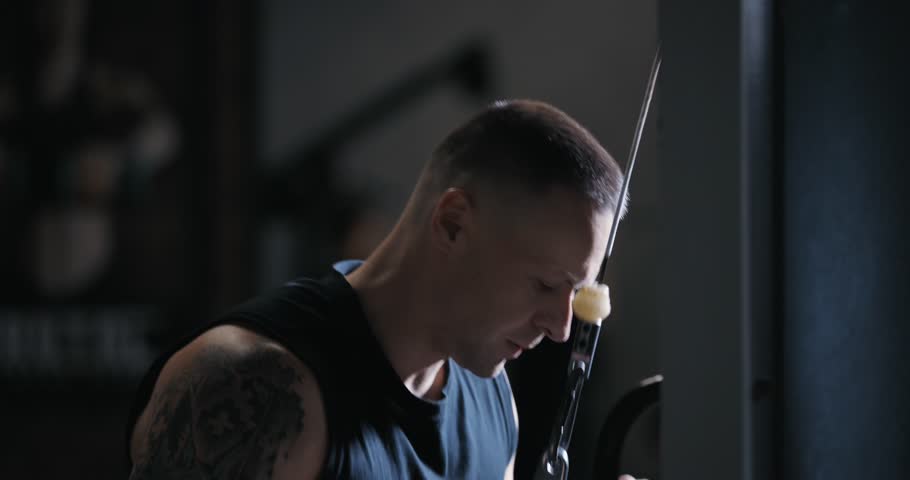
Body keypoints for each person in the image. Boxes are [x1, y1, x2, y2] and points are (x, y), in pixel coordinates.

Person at [127, 99, 633, 479]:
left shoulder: (494, 402)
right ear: (454, 224)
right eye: (547, 284)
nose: (562, 327)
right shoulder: (255, 391)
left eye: (576, 294)